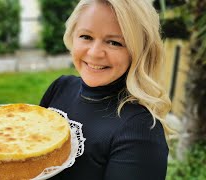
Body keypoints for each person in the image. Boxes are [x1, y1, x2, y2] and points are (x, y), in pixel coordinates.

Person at [39, 0, 173, 179]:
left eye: (114, 42)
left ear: (138, 51)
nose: (94, 53)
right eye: (86, 37)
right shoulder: (60, 87)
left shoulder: (140, 130)